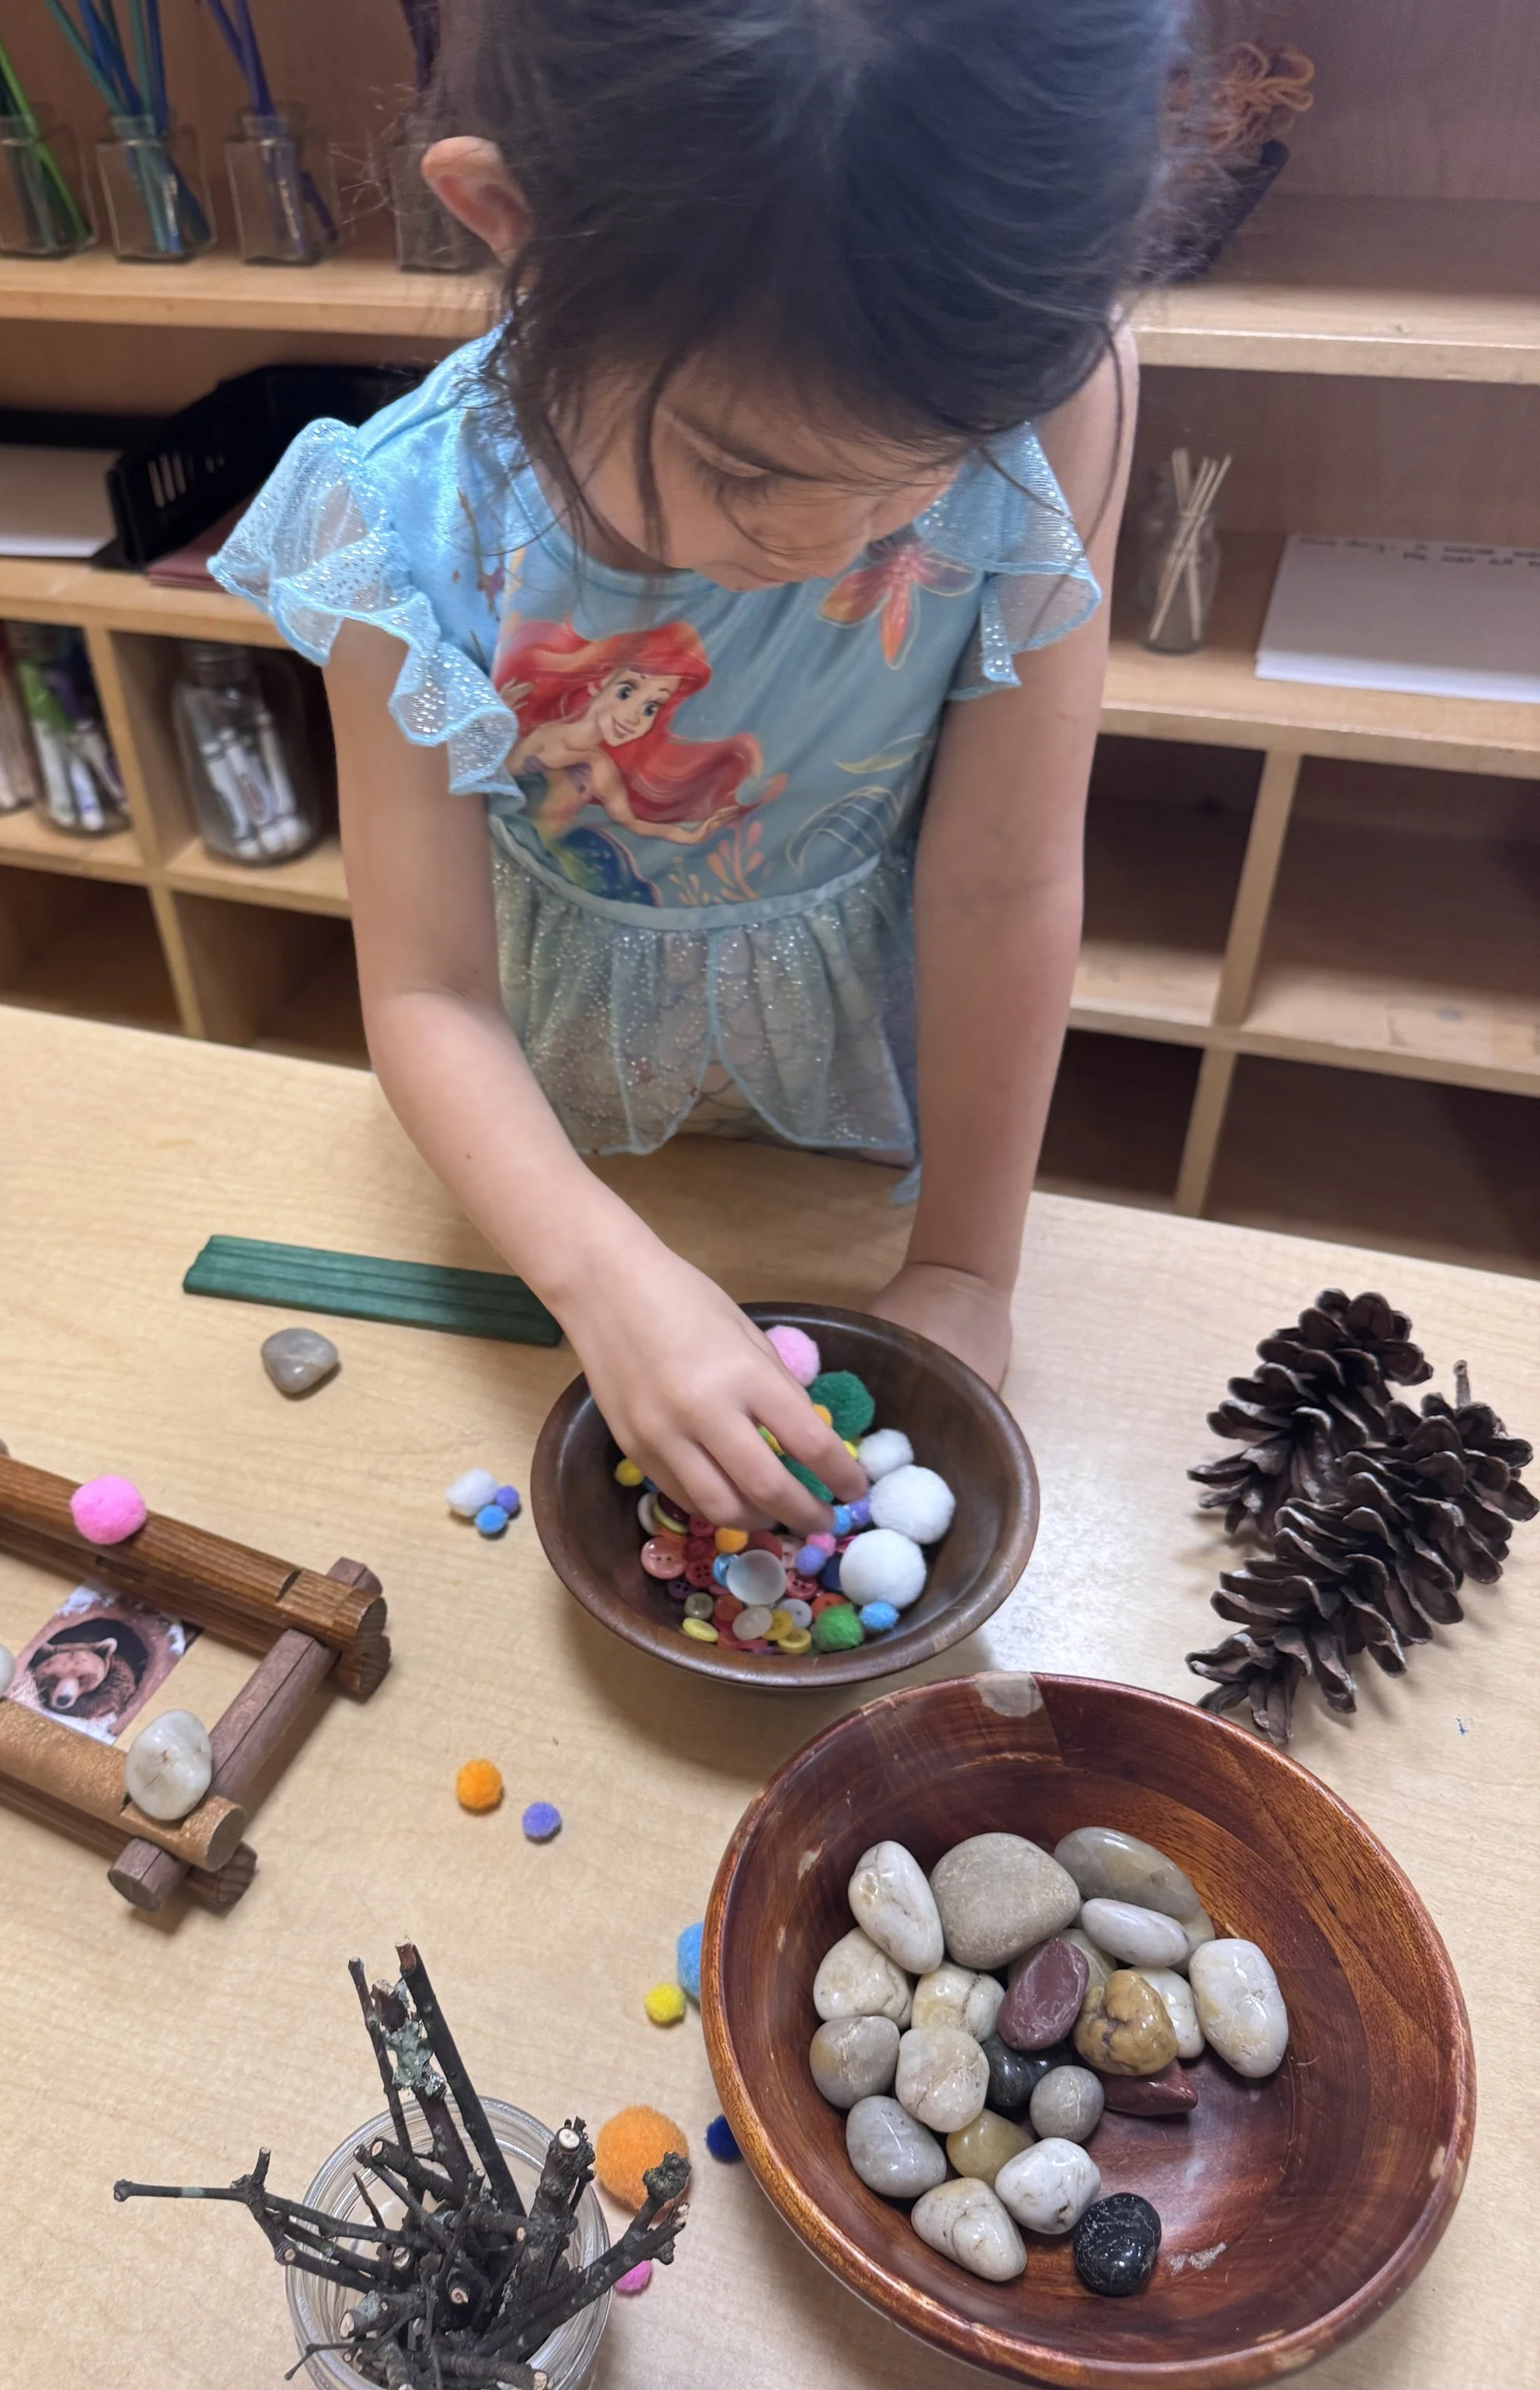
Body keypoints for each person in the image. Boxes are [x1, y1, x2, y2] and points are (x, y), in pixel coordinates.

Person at [216, 0, 1180, 1536]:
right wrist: (602, 1275)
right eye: (750, 470)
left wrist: (963, 1268)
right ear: (509, 226)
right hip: (551, 1123)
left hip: (865, 1093)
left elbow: (1000, 872)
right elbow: (424, 992)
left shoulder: (1046, 380)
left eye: (921, 472)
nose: (837, 541)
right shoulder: (403, 526)